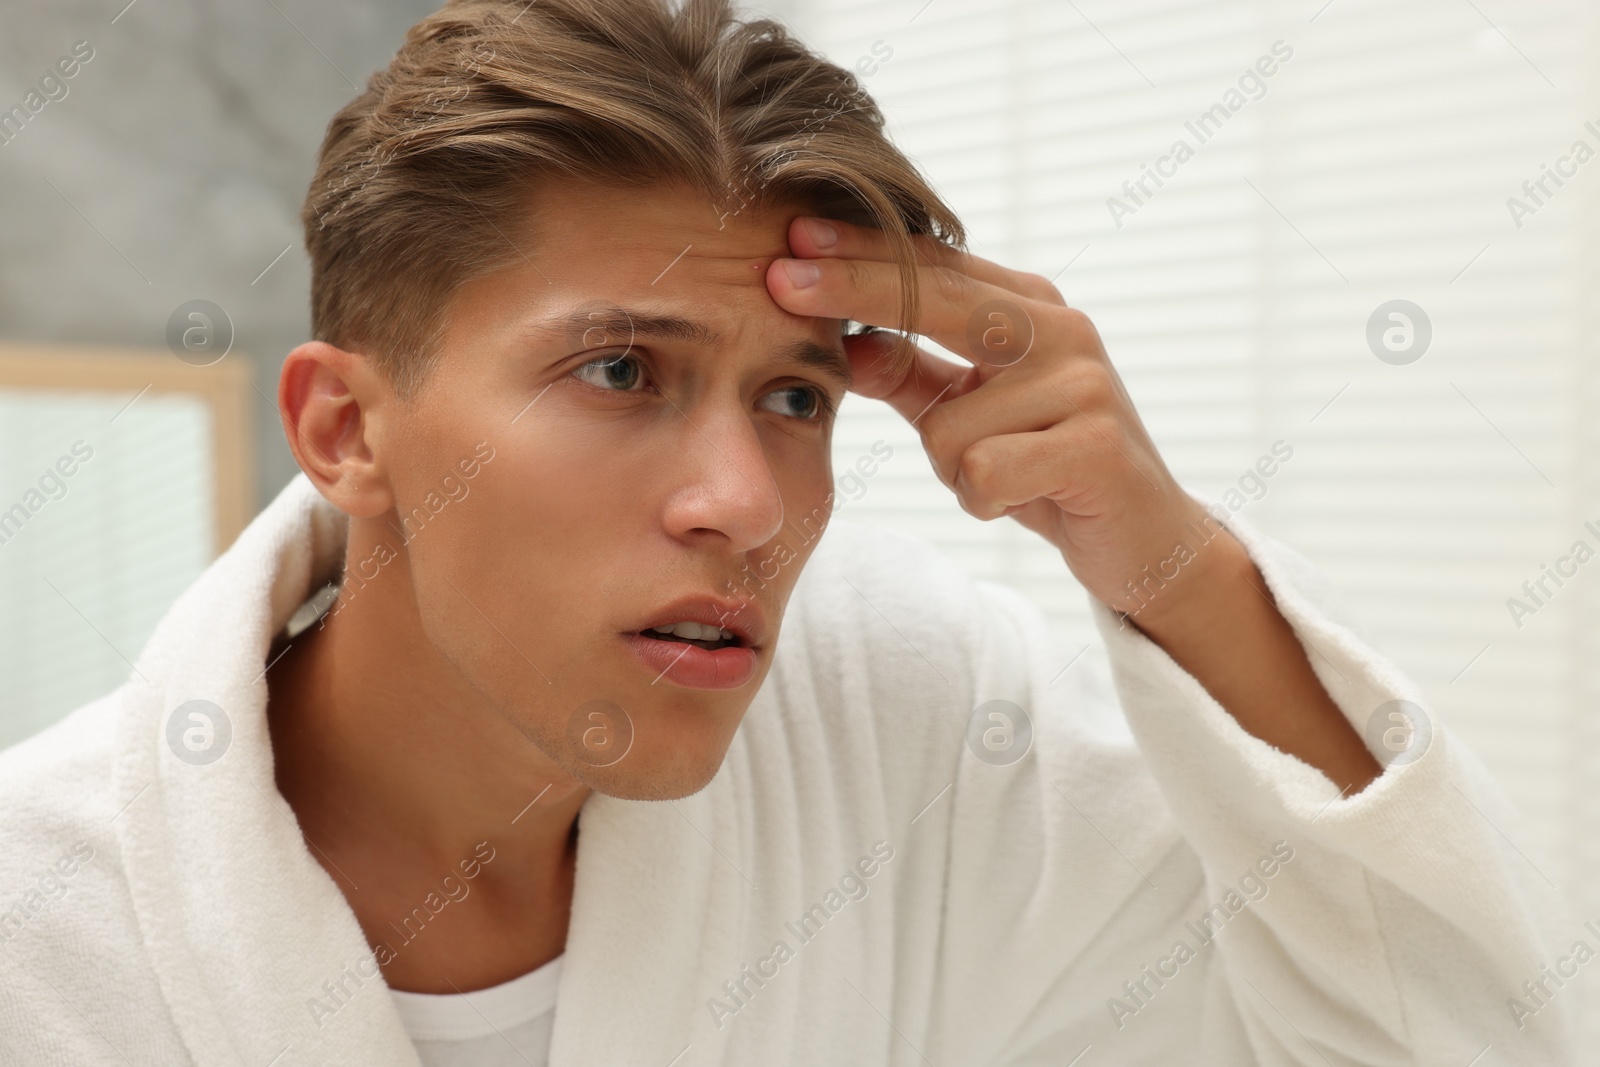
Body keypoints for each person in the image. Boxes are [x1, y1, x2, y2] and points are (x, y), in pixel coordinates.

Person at [0, 0, 1573, 1063]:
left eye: (800, 400)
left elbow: (1448, 1030)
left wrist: (1162, 554)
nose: (746, 505)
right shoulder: (42, 931)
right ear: (349, 430)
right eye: (620, 372)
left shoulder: (900, 724)